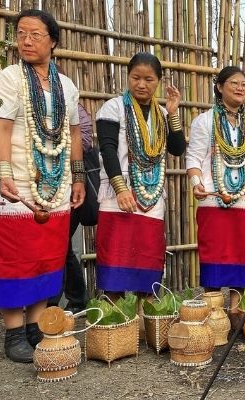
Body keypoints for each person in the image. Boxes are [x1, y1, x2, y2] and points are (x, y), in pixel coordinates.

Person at [0, 9, 85, 363]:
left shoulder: (67, 86)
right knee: (15, 257)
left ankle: (35, 326)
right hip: (16, 184)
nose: (26, 41)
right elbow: (0, 128)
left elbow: (73, 131)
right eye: (21, 34)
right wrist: (5, 172)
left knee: (47, 256)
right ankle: (13, 334)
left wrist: (77, 176)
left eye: (35, 35)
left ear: (53, 41)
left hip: (55, 185)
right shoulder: (7, 78)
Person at [95, 52, 186, 296]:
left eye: (149, 79)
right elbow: (107, 149)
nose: (141, 84)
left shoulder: (163, 114)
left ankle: (144, 323)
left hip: (152, 194)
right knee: (115, 257)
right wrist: (121, 189)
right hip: (118, 193)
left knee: (147, 258)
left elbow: (177, 149)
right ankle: (115, 325)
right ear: (128, 77)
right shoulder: (112, 107)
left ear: (159, 81)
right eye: (136, 78)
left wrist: (174, 113)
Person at [185, 66, 245, 322]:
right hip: (214, 199)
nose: (240, 88)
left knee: (244, 254)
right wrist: (195, 181)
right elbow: (194, 156)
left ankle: (236, 310)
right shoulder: (204, 121)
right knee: (214, 253)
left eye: (244, 84)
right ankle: (213, 310)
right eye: (233, 83)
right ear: (219, 87)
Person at [48, 64, 92, 314]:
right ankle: (71, 299)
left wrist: (50, 141)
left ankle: (58, 303)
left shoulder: (74, 108)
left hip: (66, 183)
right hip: (35, 185)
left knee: (60, 244)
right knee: (56, 246)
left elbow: (84, 139)